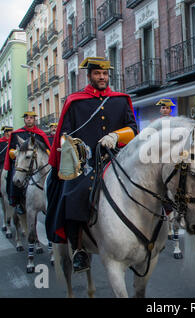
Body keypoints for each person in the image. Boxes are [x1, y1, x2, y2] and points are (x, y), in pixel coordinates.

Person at [46, 57, 138, 273]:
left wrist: (116, 135)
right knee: (71, 195)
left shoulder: (120, 100)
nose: (102, 78)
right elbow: (65, 136)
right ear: (89, 76)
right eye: (98, 74)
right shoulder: (75, 102)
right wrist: (78, 154)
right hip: (85, 163)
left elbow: (133, 129)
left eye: (105, 74)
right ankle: (79, 250)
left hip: (117, 159)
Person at [4, 112, 51, 215]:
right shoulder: (17, 134)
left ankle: (51, 200)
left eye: (31, 118)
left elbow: (47, 149)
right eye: (27, 118)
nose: (29, 120)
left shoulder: (40, 134)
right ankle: (16, 202)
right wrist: (15, 153)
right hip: (22, 163)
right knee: (14, 177)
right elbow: (11, 149)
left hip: (36, 165)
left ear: (34, 120)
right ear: (24, 120)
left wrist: (48, 153)